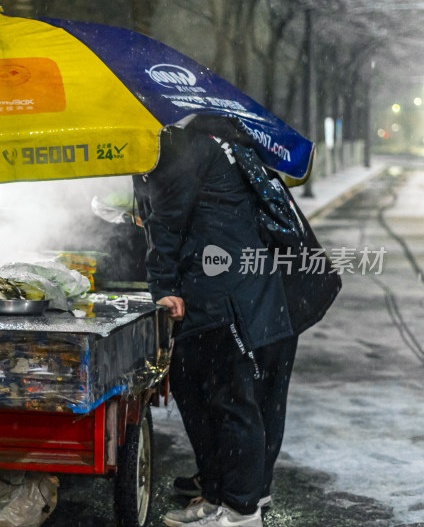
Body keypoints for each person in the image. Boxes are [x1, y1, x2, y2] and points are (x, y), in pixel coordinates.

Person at [132, 114, 340, 527]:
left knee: (225, 400)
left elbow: (168, 221)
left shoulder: (179, 144)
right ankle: (235, 497)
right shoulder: (228, 136)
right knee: (257, 402)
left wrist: (162, 286)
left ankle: (239, 512)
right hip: (268, 294)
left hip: (224, 297)